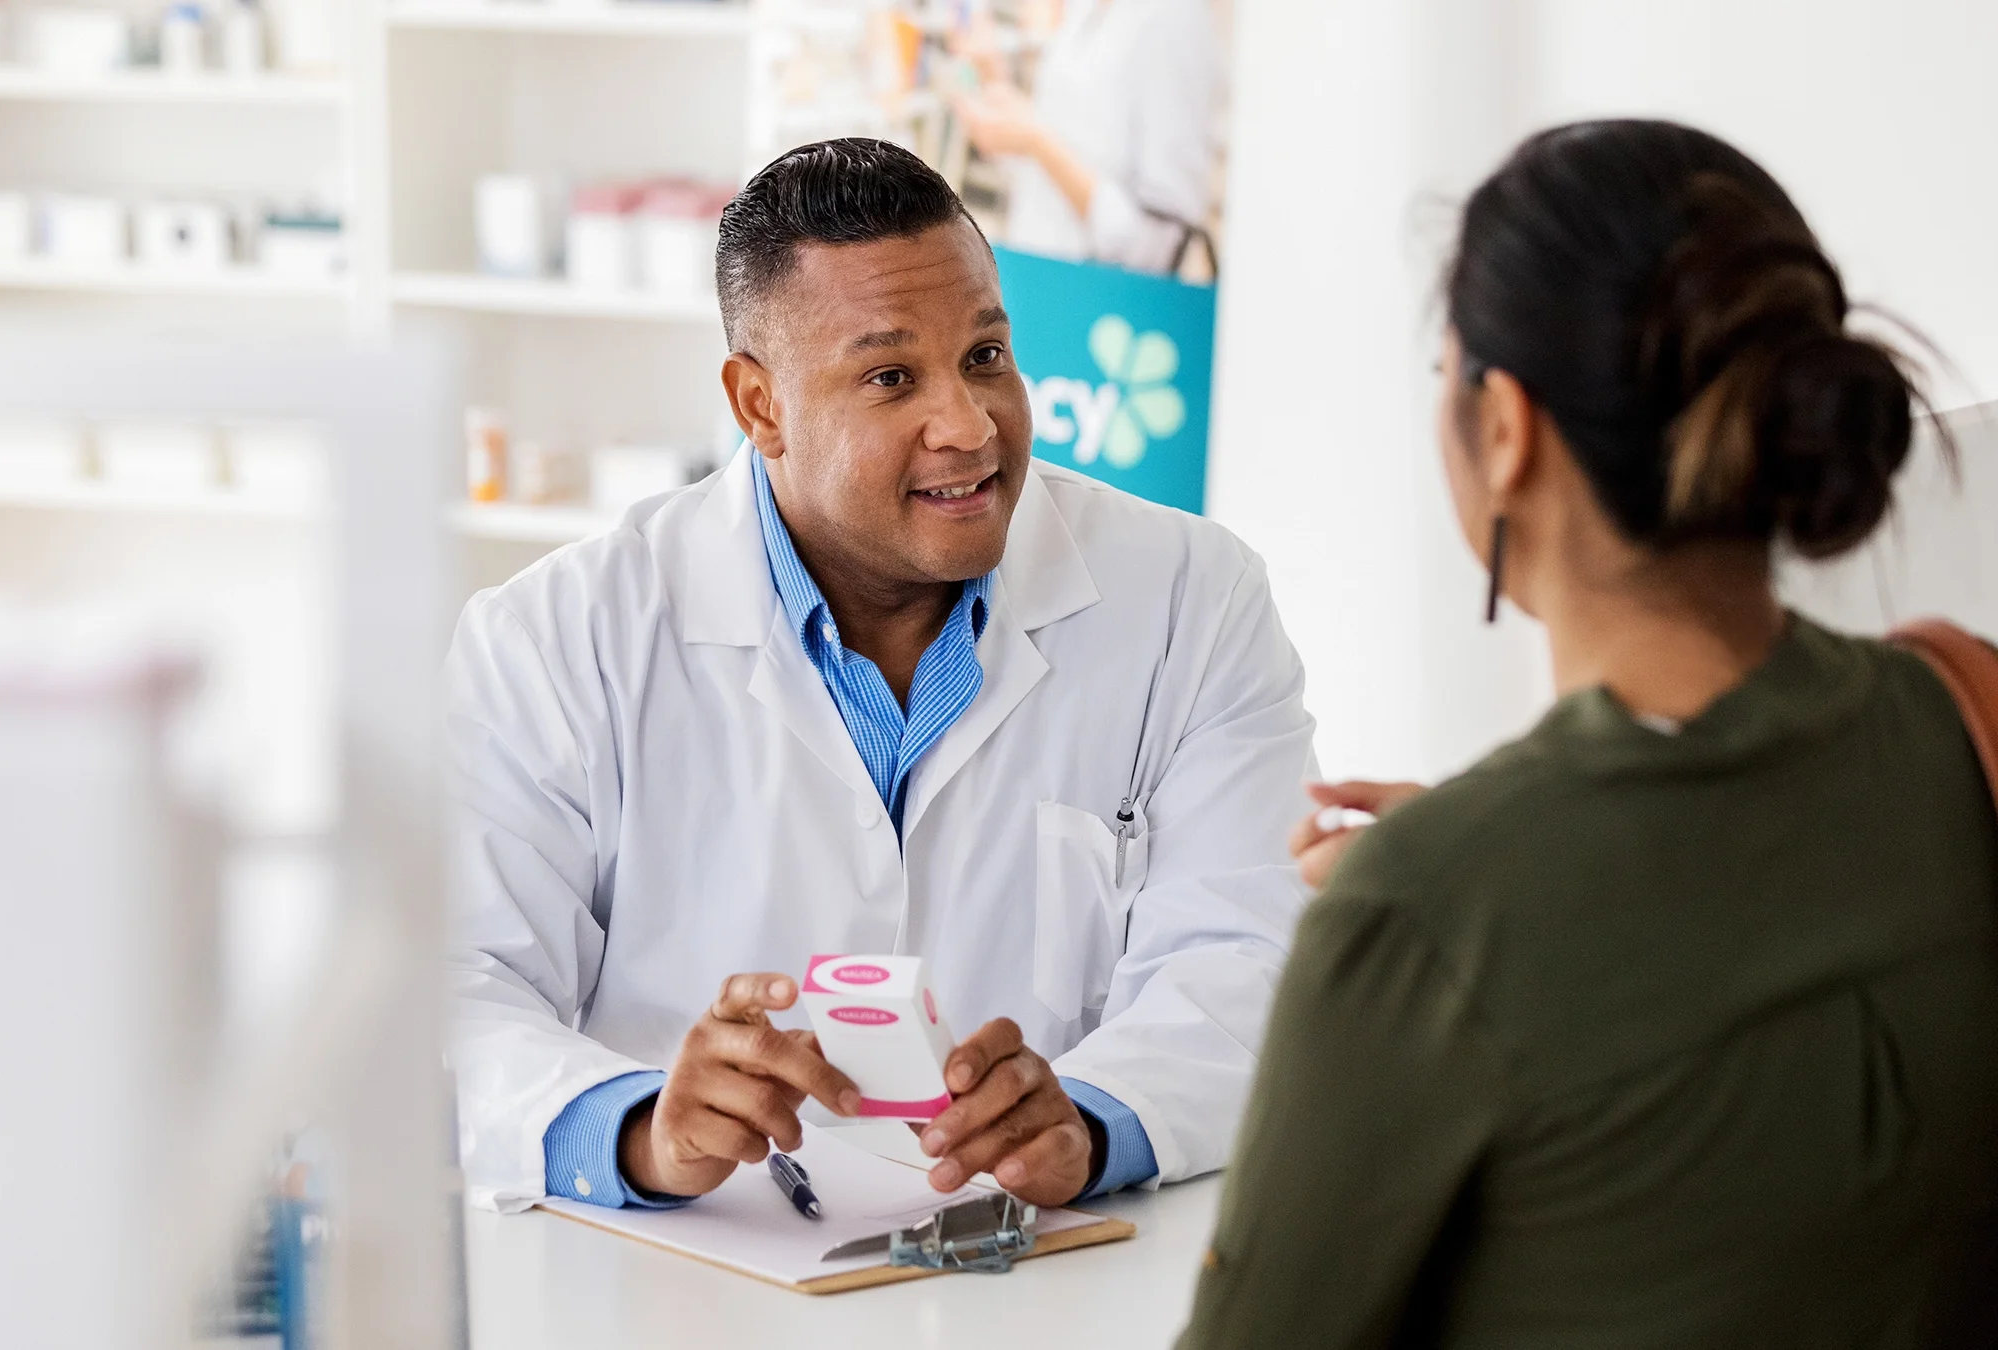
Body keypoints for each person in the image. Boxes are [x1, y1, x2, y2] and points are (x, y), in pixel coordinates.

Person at [1183, 119, 1998, 1347]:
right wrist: (1479, 883)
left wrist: (1444, 907)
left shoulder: (1420, 913)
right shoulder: (1958, 712)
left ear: (1506, 427)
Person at [447, 138, 1315, 1215]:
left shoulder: (1194, 598)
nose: (969, 425)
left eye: (986, 356)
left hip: (1047, 1264)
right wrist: (639, 1126)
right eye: (892, 378)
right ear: (760, 405)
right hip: (692, 1263)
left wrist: (1096, 1117)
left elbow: (1250, 954)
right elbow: (456, 992)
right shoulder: (556, 640)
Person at [947, 0, 1222, 276]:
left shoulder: (1174, 17)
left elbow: (1158, 246)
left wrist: (1036, 142)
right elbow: (1048, 176)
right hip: (1034, 273)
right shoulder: (1086, 9)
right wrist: (994, 81)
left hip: (1092, 290)